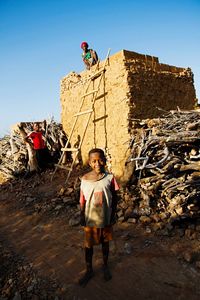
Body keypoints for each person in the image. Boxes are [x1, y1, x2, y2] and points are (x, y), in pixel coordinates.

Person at [79, 148, 119, 287]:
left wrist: (113, 214)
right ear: (89, 163)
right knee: (88, 246)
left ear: (105, 160)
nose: (98, 163)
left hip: (106, 218)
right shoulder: (84, 180)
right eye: (94, 161)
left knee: (105, 243)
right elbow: (82, 200)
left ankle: (105, 265)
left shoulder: (110, 178)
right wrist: (81, 215)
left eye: (100, 159)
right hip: (90, 218)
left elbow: (114, 198)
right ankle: (89, 270)